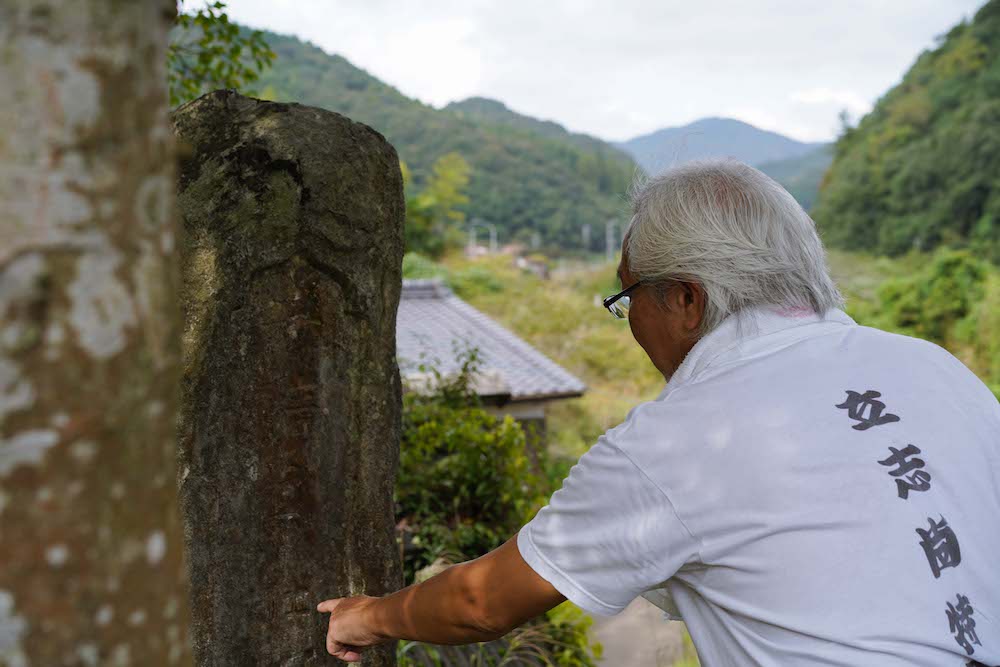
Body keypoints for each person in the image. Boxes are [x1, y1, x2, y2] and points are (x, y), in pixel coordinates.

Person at [317, 159, 1000, 665]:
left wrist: (370, 615)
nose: (631, 321)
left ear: (685, 299)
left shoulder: (681, 439)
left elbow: (482, 601)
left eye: (629, 296)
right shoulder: (939, 368)